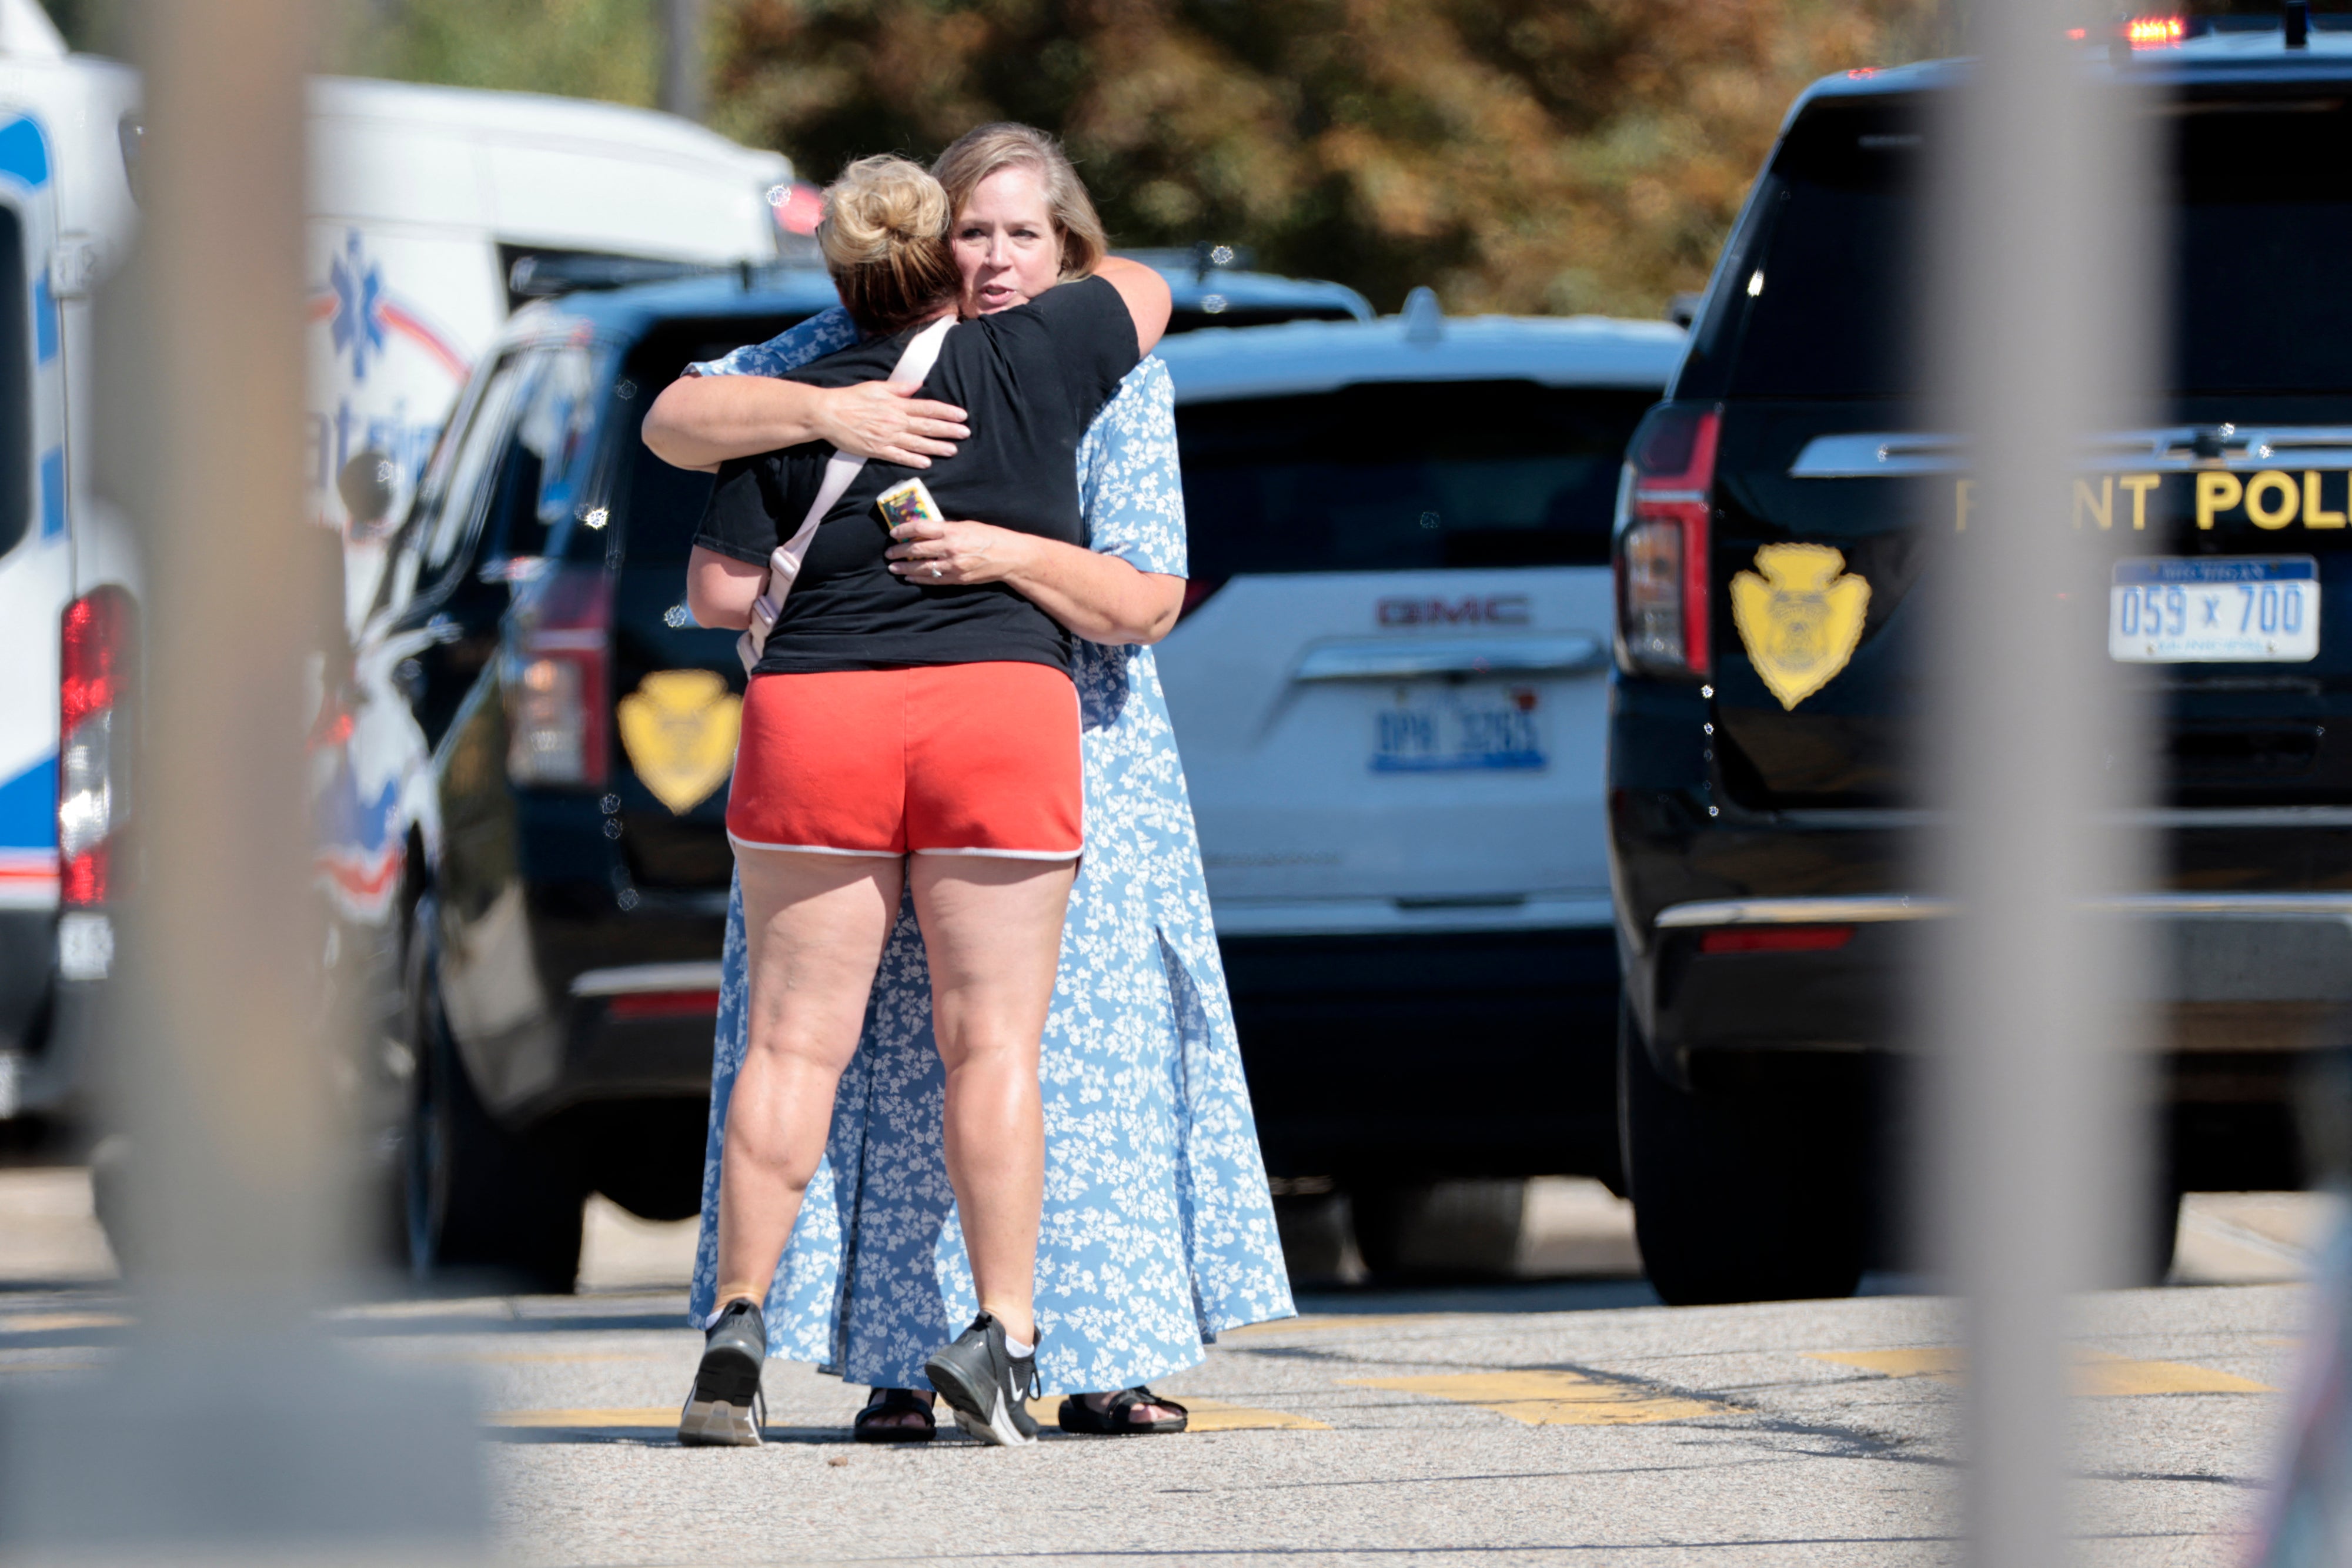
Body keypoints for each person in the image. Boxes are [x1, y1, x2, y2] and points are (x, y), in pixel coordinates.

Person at [644, 125, 1292, 1444]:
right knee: (974, 1055)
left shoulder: (1094, 370)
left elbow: (1145, 595)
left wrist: (997, 545)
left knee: (866, 1050)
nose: (991, 256)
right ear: (927, 245)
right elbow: (675, 410)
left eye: (1021, 234)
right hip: (1006, 736)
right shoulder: (871, 363)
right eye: (970, 231)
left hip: (945, 736)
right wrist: (831, 414)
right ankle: (962, 1343)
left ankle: (769, 1337)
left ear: (1067, 248)